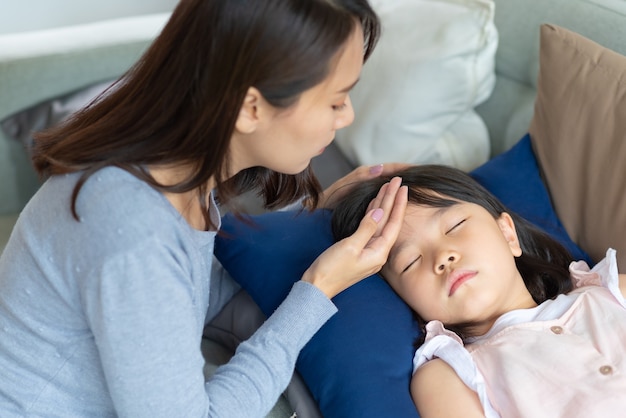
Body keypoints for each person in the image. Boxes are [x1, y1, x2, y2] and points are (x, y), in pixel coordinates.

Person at [0, 1, 410, 417]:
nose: (347, 116)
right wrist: (316, 290)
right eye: (337, 100)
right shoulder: (133, 229)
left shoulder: (169, 173)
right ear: (251, 108)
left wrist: (314, 224)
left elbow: (187, 293)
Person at [331, 164, 626, 418]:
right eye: (411, 262)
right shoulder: (451, 375)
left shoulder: (612, 291)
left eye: (455, 225)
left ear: (508, 234)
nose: (443, 256)